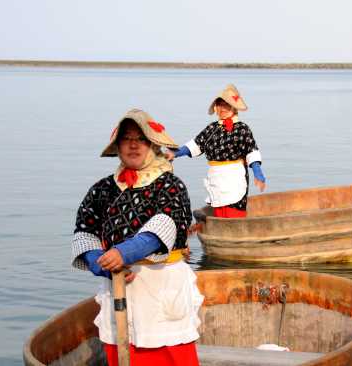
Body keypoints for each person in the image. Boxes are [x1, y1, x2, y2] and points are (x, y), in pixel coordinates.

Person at [71, 109, 204, 366]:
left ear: (152, 145)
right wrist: (102, 264)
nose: (133, 144)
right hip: (119, 286)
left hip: (161, 286)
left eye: (140, 139)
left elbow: (165, 225)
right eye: (126, 138)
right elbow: (84, 232)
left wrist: (125, 252)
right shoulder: (103, 189)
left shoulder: (170, 185)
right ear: (117, 146)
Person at [166, 84, 266, 218]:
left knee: (234, 212)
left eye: (226, 105)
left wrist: (258, 173)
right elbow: (195, 145)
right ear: (216, 107)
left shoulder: (242, 129)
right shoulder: (211, 129)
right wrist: (175, 153)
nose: (222, 108)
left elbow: (251, 152)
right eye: (220, 105)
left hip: (234, 177)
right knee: (219, 211)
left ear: (234, 108)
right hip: (216, 178)